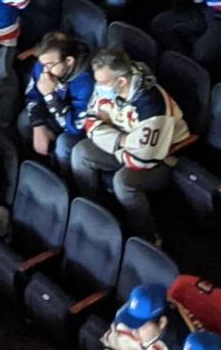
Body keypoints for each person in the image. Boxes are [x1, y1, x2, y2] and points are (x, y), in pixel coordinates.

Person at [72, 47, 182, 239]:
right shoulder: (107, 86)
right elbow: (89, 122)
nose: (97, 86)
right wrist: (122, 140)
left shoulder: (152, 105)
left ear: (121, 81)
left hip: (163, 158)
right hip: (126, 144)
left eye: (102, 82)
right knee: (80, 152)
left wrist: (109, 135)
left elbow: (140, 160)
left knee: (123, 182)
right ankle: (97, 215)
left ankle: (147, 237)